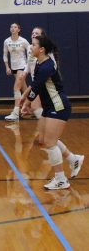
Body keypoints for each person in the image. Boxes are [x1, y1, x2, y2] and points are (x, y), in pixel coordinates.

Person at [23, 27, 84, 178]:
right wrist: (25, 101)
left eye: (34, 45)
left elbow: (35, 88)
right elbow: (35, 85)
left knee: (50, 143)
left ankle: (60, 179)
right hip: (50, 106)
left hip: (59, 105)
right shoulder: (38, 63)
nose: (31, 47)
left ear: (42, 49)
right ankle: (73, 159)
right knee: (44, 140)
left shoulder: (47, 66)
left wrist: (26, 103)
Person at [3, 23, 29, 121]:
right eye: (11, 27)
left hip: (22, 66)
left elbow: (30, 51)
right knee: (24, 88)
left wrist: (28, 65)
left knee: (16, 87)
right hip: (13, 67)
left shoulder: (23, 41)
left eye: (15, 27)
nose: (13, 28)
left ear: (19, 29)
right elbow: (5, 55)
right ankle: (32, 108)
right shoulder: (7, 41)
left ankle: (15, 112)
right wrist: (7, 67)